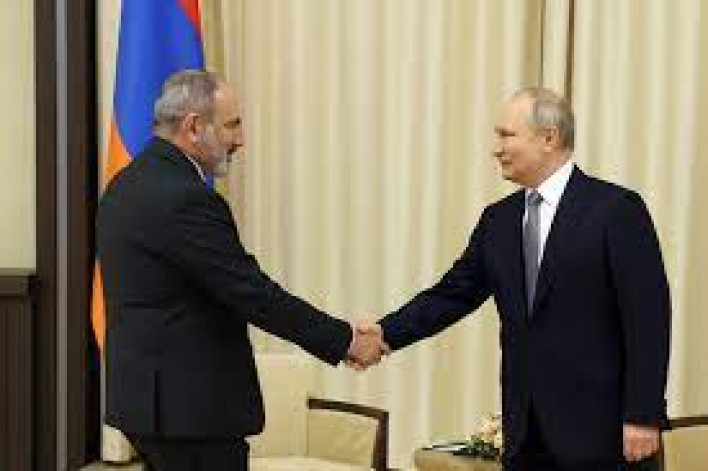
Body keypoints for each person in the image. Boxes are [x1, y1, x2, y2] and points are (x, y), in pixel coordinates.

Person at [356, 88, 670, 470]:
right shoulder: (498, 220)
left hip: (604, 433)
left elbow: (648, 318)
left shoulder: (616, 210)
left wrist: (643, 414)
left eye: (506, 135)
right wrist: (385, 333)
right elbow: (452, 294)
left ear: (548, 138)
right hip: (525, 433)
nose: (496, 149)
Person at [96, 69, 387, 471]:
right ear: (194, 127)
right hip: (191, 412)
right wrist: (345, 340)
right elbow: (253, 295)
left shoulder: (125, 184)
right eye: (231, 125)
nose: (241, 139)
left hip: (149, 403)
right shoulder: (184, 197)